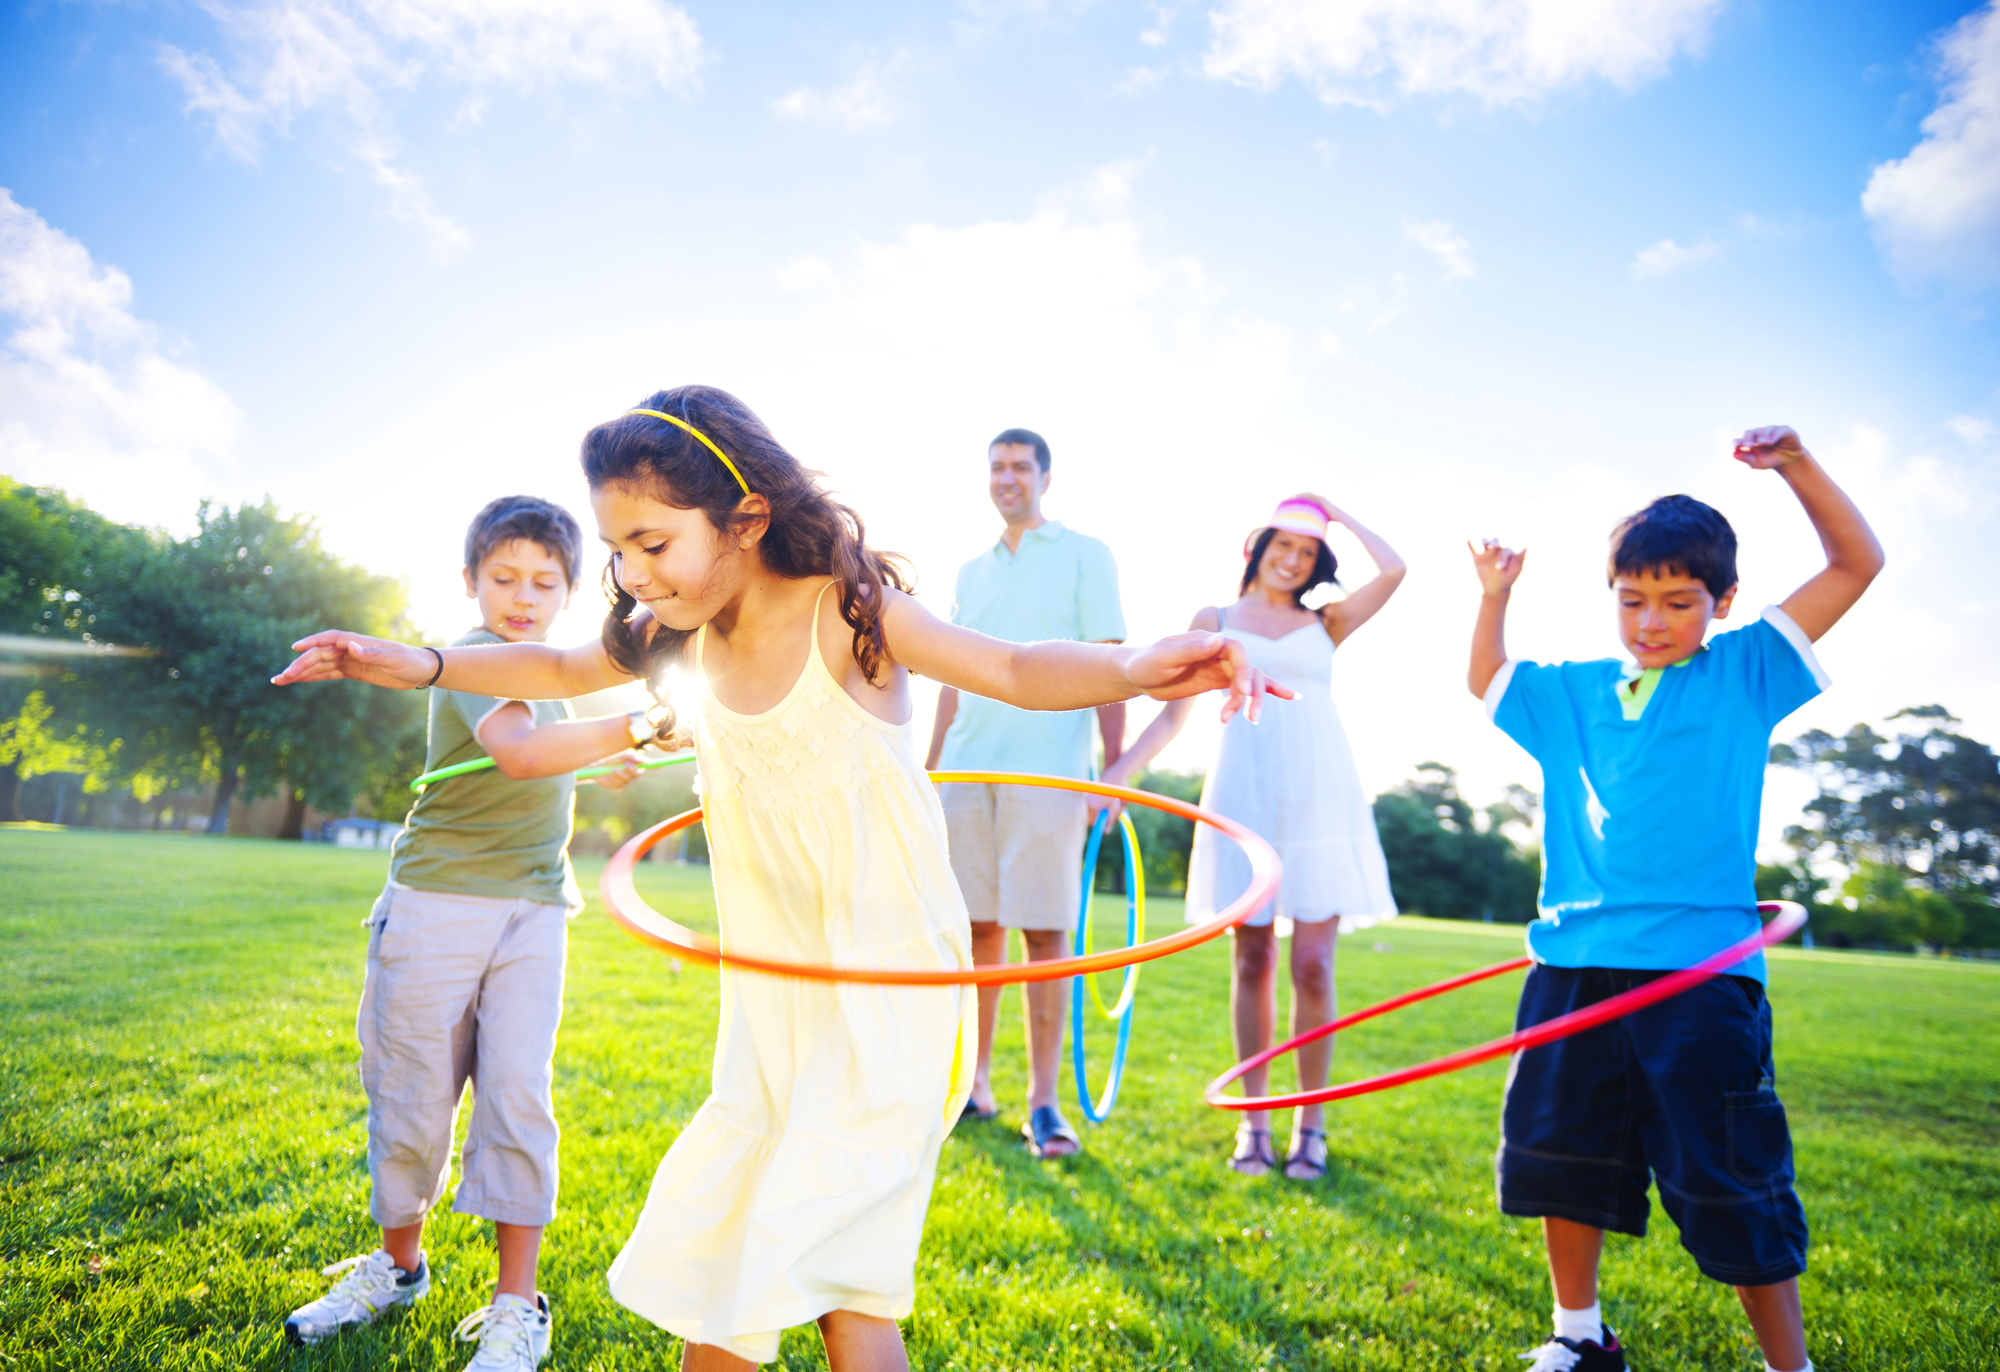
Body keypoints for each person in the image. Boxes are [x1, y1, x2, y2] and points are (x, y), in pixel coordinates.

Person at [273, 385, 1289, 1371]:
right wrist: (416, 662)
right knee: (801, 1278)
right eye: (618, 551)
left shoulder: (851, 614)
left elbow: (1016, 668)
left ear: (744, 516)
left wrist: (1141, 662)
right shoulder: (677, 633)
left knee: (786, 1268)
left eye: (653, 545)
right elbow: (555, 671)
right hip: (772, 1007)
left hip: (884, 990)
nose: (631, 574)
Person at [1468, 426, 1882, 1372]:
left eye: (1677, 602)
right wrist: (1494, 598)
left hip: (1698, 975)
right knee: (1562, 1160)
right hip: (1574, 963)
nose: (1652, 622)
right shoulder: (1574, 692)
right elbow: (1485, 681)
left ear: (1721, 602)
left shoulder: (1745, 673)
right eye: (1632, 601)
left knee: (1730, 1175)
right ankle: (1580, 1337)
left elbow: (1857, 564)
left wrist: (1797, 468)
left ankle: (1792, 1367)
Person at [282, 496, 648, 1372]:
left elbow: (540, 758)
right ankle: (398, 1266)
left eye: (545, 582)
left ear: (570, 592)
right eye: (504, 578)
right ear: (471, 582)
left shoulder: (553, 679)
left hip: (534, 909)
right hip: (437, 904)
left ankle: (517, 1304)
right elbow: (517, 753)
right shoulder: (477, 658)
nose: (523, 597)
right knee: (413, 1100)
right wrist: (647, 721)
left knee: (519, 1095)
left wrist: (594, 765)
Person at [1100, 494, 1403, 1180]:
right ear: (1257, 545)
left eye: (1308, 552)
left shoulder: (1327, 621)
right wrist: (1121, 777)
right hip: (1247, 793)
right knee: (1254, 960)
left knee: (1315, 966)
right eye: (1284, 545)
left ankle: (1311, 1124)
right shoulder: (1215, 619)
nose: (1293, 560)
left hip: (1321, 797)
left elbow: (1394, 570)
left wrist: (1338, 513)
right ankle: (1255, 1123)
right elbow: (1171, 716)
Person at [923, 427, 1127, 1159]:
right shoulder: (972, 571)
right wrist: (931, 765)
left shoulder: (1085, 555)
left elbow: (1111, 664)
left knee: (1044, 935)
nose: (1007, 478)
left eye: (1019, 467)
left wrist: (1117, 767)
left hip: (1050, 771)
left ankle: (1043, 1103)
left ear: (1045, 475)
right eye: (996, 468)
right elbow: (949, 672)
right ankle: (973, 1084)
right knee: (976, 933)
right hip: (969, 769)